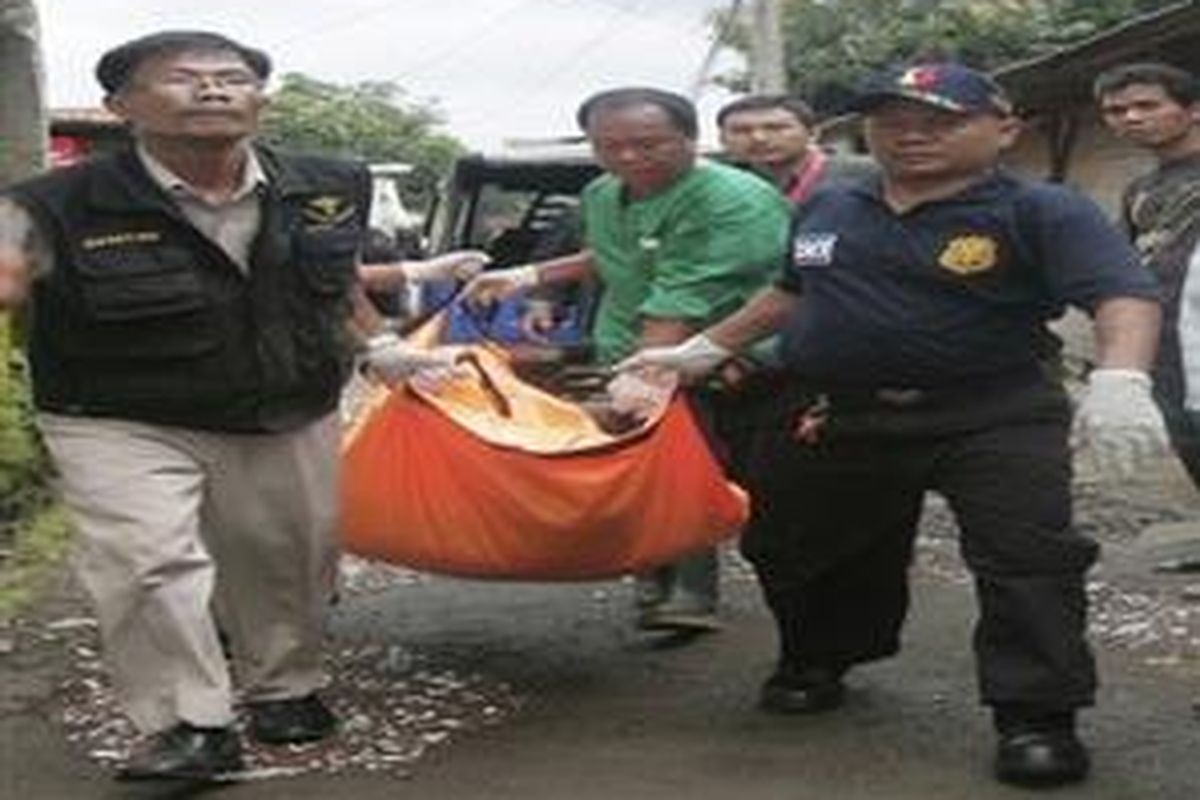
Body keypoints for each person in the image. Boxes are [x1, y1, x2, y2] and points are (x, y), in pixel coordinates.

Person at [619, 63, 1168, 787]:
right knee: (797, 544)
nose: (911, 134)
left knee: (1028, 558)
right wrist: (704, 347)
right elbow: (789, 292)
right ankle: (818, 657)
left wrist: (1122, 377)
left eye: (940, 120)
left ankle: (1036, 715)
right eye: (891, 119)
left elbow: (1121, 293)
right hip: (840, 409)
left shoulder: (1042, 210)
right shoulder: (834, 206)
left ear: (1004, 129)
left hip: (993, 413)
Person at [0, 30, 480, 782]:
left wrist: (378, 346)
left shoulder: (328, 183)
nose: (213, 90)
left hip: (284, 402)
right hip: (118, 413)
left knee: (284, 556)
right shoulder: (47, 204)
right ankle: (189, 724)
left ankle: (286, 687)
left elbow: (333, 278)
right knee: (147, 563)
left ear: (262, 99)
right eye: (183, 79)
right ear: (120, 106)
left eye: (232, 78)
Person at [464, 87, 790, 634]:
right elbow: (616, 252)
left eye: (648, 144)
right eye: (609, 145)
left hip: (723, 352)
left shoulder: (733, 198)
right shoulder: (602, 192)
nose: (629, 157)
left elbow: (687, 291)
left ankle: (692, 591)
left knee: (688, 462)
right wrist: (529, 277)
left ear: (690, 140)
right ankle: (652, 575)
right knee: (636, 463)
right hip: (630, 343)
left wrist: (650, 372)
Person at [1095, 63, 1200, 519]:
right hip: (1165, 340)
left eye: (1146, 105)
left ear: (1193, 110)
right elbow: (1125, 261)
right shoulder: (1142, 188)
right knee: (1188, 439)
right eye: (1116, 110)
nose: (1131, 117)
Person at [716, 94, 874, 203]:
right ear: (722, 140)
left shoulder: (867, 174)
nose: (759, 138)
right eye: (741, 131)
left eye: (776, 128)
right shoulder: (720, 186)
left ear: (813, 133)